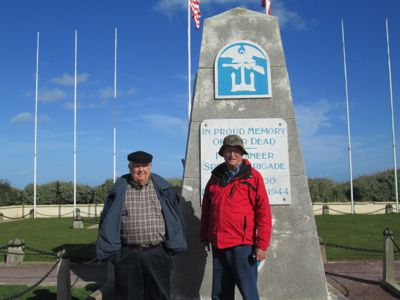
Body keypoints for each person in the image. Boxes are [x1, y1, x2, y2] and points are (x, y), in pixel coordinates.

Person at [96, 150, 187, 300]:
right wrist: (115, 254)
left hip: (157, 253)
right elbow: (106, 221)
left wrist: (169, 249)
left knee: (160, 295)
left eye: (144, 165)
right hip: (127, 255)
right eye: (136, 166)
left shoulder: (163, 189)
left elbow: (176, 217)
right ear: (129, 167)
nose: (141, 170)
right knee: (128, 296)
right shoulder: (119, 190)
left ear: (150, 166)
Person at [200, 134, 272, 300]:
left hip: (243, 245)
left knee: (249, 294)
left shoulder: (254, 177)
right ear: (222, 153)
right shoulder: (215, 178)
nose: (232, 155)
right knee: (220, 294)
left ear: (242, 153)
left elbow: (264, 213)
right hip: (218, 244)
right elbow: (207, 210)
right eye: (228, 151)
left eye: (236, 151)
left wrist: (262, 245)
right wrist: (204, 236)